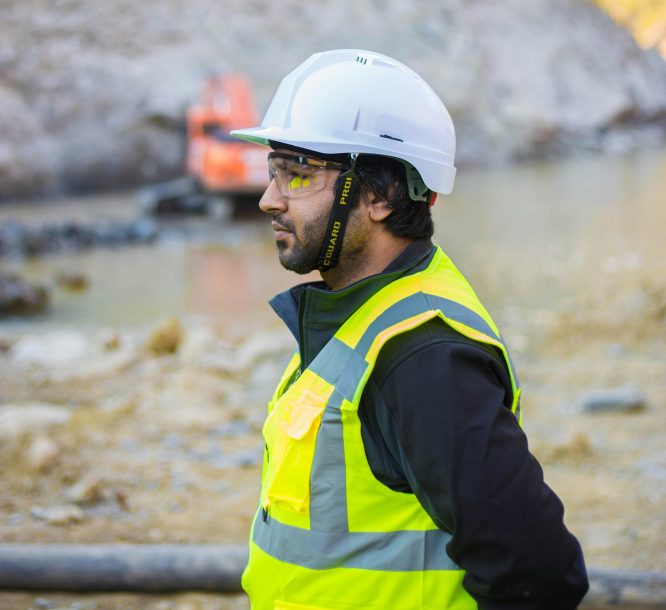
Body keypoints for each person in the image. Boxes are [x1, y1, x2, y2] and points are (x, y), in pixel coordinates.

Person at [231, 49, 588, 610]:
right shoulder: (356, 315)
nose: (268, 199)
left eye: (297, 175)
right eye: (274, 171)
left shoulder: (423, 354)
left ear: (381, 195)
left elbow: (537, 573)